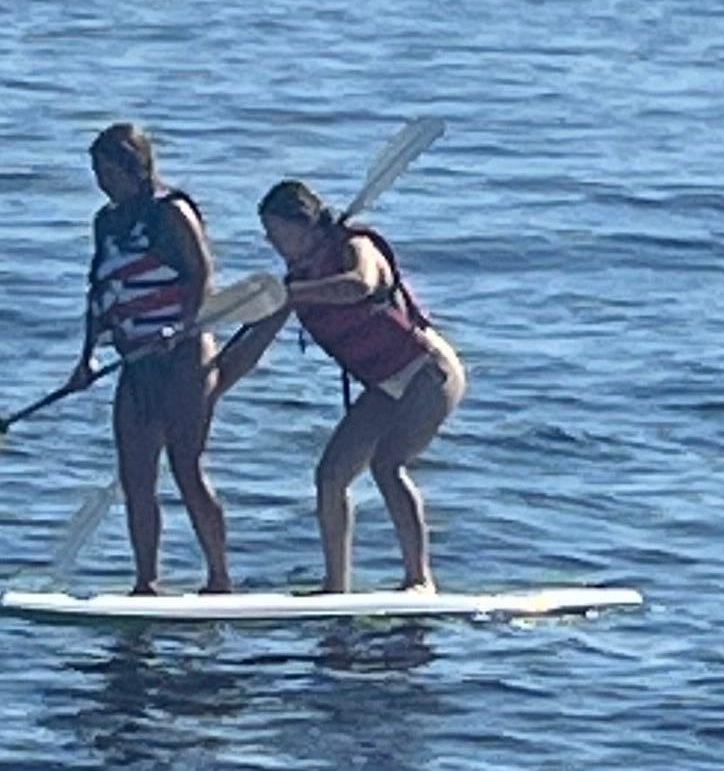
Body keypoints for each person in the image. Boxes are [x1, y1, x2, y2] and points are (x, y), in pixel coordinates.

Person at [215, 176, 466, 594]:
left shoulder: (353, 247)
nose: (273, 242)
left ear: (307, 225)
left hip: (427, 371)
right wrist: (208, 393)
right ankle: (336, 587)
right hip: (384, 385)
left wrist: (294, 294)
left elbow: (359, 285)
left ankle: (419, 580)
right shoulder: (294, 281)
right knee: (331, 476)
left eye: (279, 232)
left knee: (387, 464)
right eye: (268, 235)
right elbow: (252, 349)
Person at [69, 122, 232, 593]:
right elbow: (98, 295)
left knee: (185, 466)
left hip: (183, 359)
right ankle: (146, 583)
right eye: (95, 171)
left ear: (133, 168)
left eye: (107, 170)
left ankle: (220, 579)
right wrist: (86, 359)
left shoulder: (170, 212)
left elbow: (202, 277)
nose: (101, 181)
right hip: (135, 365)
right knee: (135, 476)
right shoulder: (105, 221)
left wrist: (181, 329)